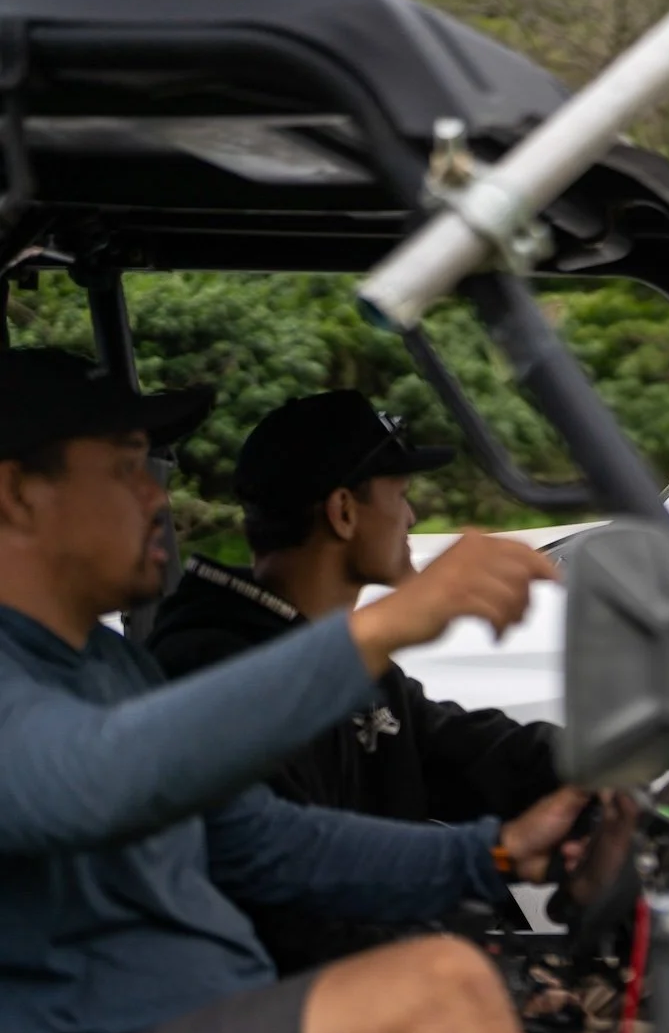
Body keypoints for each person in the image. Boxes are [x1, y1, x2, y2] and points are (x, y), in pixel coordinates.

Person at [0, 348, 654, 1033]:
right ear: (16, 493)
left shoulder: (114, 666)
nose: (157, 496)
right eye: (124, 468)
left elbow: (262, 841)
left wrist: (497, 854)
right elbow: (94, 772)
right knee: (442, 991)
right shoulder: (113, 677)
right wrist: (386, 626)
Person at [148, 390, 564, 974]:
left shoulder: (337, 657)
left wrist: (601, 764)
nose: (411, 518)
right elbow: (286, 897)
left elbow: (466, 750)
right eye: (401, 494)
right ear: (343, 511)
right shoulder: (215, 669)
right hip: (309, 999)